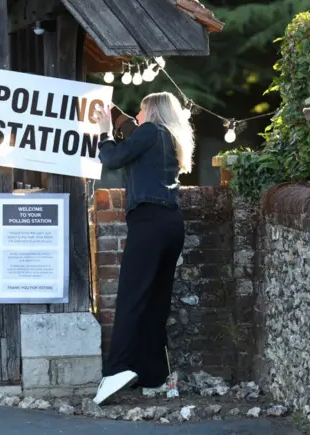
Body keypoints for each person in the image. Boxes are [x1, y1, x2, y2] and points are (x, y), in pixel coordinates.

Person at [93, 92, 194, 405]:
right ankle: (156, 377)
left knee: (132, 297)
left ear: (152, 110)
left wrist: (104, 131)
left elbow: (112, 157)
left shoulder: (151, 132)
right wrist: (119, 116)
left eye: (141, 108)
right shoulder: (168, 138)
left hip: (148, 223)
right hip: (171, 224)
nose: (138, 113)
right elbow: (134, 135)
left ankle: (118, 368)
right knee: (154, 305)